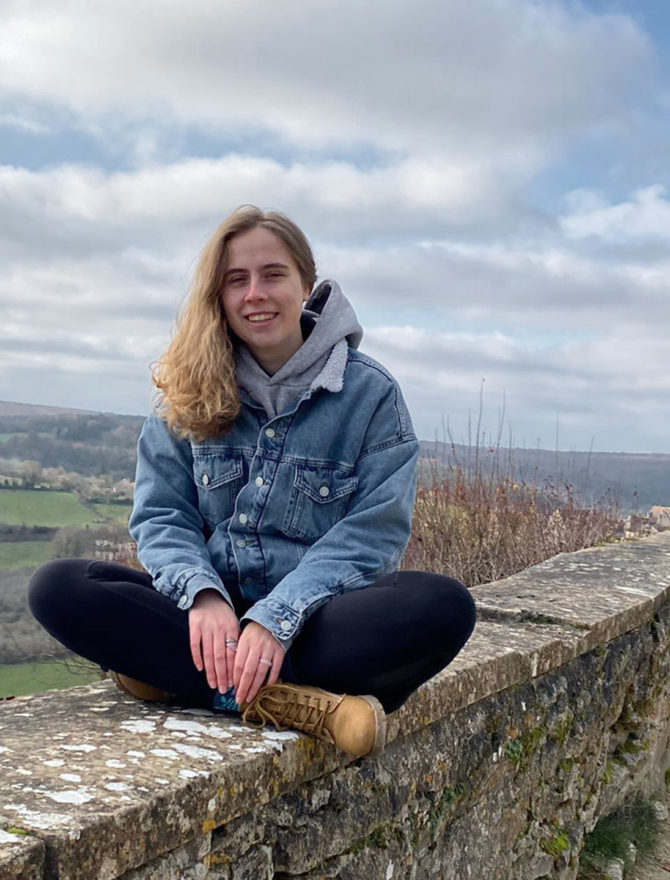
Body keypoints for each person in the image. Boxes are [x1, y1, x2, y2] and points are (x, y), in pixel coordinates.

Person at [28, 205, 476, 758]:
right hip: (203, 624)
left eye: (273, 274)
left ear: (306, 284)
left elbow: (373, 535)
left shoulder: (371, 396)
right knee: (59, 587)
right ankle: (296, 701)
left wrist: (276, 618)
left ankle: (181, 681)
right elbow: (162, 514)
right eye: (235, 280)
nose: (254, 294)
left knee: (443, 606)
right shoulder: (187, 386)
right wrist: (203, 594)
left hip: (315, 622)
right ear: (218, 296)